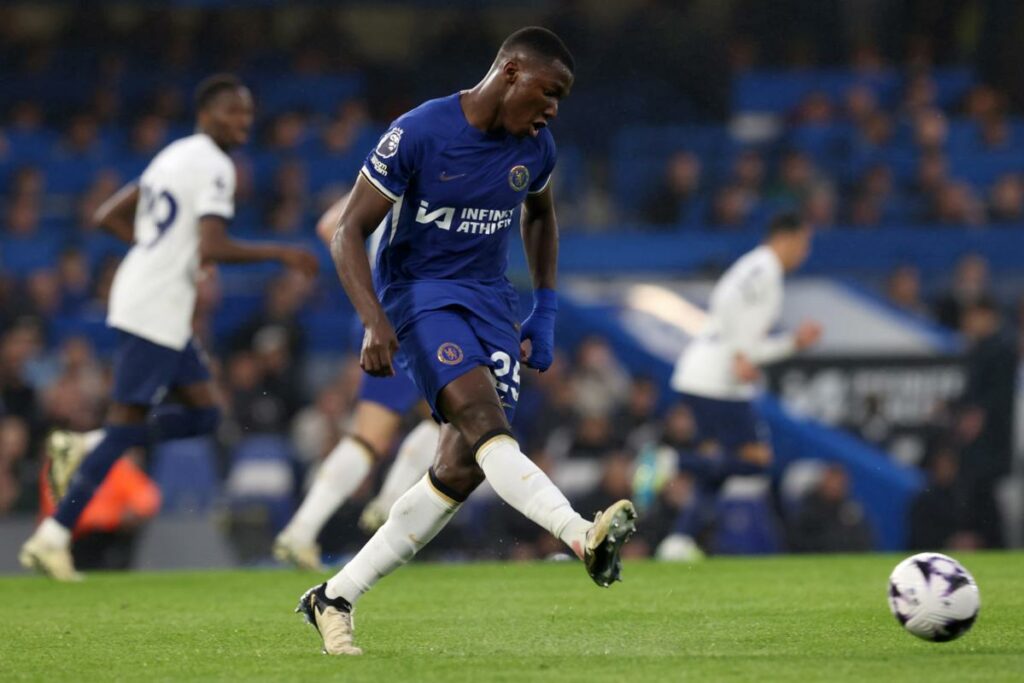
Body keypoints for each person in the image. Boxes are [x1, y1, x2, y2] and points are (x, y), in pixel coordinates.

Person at [296, 27, 636, 656]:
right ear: (510, 72)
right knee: (483, 422)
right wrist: (374, 320)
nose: (553, 109)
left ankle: (333, 597)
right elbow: (348, 230)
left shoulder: (538, 148)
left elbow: (540, 216)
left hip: (489, 301)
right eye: (548, 91)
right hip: (421, 294)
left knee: (458, 469)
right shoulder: (421, 131)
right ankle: (579, 535)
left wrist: (546, 309)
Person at [19, 74, 320, 581]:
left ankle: (89, 444)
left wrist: (156, 252)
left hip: (156, 301)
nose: (243, 122)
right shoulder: (216, 165)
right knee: (129, 424)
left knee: (206, 415)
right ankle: (53, 536)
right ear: (205, 114)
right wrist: (281, 250)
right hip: (154, 306)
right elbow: (212, 247)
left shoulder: (172, 156)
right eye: (232, 112)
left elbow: (106, 215)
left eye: (248, 114)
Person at [272, 195, 440, 571]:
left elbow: (330, 225)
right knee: (457, 417)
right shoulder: (442, 165)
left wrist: (372, 284)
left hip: (376, 312)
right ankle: (390, 505)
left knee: (370, 437)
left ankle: (301, 529)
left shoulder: (387, 170)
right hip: (415, 315)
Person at [663, 212, 821, 557]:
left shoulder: (764, 271)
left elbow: (751, 348)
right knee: (757, 460)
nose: (805, 253)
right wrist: (737, 353)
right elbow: (727, 297)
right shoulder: (764, 267)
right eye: (804, 243)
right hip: (716, 383)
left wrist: (794, 342)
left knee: (717, 470)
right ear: (785, 238)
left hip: (707, 378)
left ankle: (680, 540)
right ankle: (672, 462)